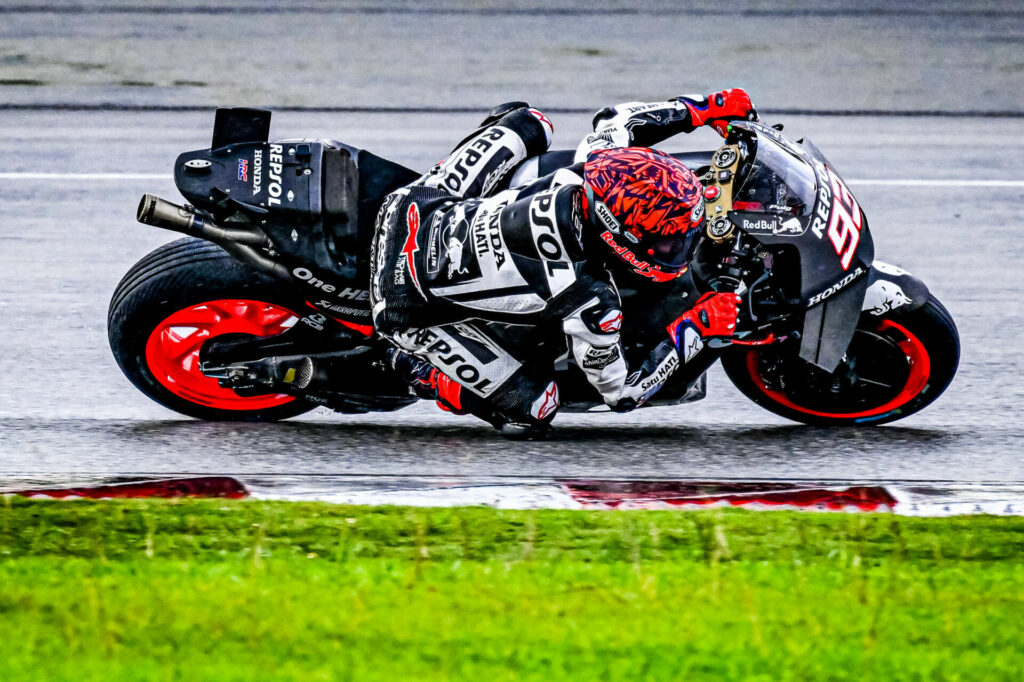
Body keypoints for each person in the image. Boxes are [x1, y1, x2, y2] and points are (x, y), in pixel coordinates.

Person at [369, 89, 756, 437]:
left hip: (414, 204)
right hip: (403, 298)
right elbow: (621, 392)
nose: (680, 247)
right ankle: (412, 367)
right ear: (615, 235)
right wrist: (698, 326)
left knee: (530, 122)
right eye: (669, 242)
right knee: (535, 409)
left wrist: (704, 109)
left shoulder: (596, 164)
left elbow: (617, 119)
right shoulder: (589, 298)